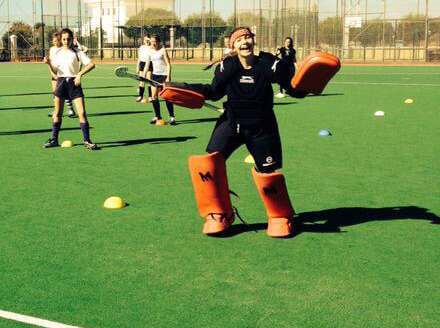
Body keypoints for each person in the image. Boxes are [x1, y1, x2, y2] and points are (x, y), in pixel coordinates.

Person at [168, 26, 339, 238]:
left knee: (268, 174)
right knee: (208, 164)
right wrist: (182, 88)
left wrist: (308, 83)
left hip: (262, 127)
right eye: (240, 39)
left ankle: (279, 216)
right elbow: (213, 92)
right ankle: (218, 214)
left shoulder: (268, 63)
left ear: (253, 41)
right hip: (231, 124)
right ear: (233, 45)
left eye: (248, 37)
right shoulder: (227, 67)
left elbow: (293, 89)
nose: (245, 42)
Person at [43, 27, 98, 149]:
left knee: (82, 113)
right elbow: (55, 70)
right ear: (61, 39)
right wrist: (49, 64)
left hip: (74, 83)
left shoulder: (77, 52)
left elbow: (91, 64)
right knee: (57, 113)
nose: (66, 41)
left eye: (68, 39)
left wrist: (79, 74)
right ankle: (54, 139)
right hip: (61, 82)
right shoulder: (57, 52)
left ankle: (87, 140)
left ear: (72, 39)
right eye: (64, 39)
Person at [143, 33, 176, 125]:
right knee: (154, 97)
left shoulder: (163, 50)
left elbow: (168, 64)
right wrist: (143, 76)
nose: (153, 43)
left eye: (154, 42)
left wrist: (168, 76)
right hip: (155, 76)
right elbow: (147, 65)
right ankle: (158, 116)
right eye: (151, 42)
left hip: (164, 76)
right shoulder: (150, 51)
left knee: (167, 96)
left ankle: (171, 116)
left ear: (158, 42)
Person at [47, 31, 75, 118]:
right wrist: (52, 73)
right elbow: (50, 62)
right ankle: (56, 110)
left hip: (63, 74)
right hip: (54, 73)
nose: (57, 42)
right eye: (55, 41)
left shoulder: (64, 49)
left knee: (65, 93)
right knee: (55, 93)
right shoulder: (52, 49)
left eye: (58, 40)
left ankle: (70, 109)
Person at [135, 35, 152, 102]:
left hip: (149, 63)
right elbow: (139, 57)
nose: (146, 41)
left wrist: (149, 39)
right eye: (145, 40)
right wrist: (137, 66)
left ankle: (150, 97)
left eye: (148, 40)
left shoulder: (151, 47)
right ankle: (140, 96)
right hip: (142, 63)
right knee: (142, 81)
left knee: (149, 81)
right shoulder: (142, 47)